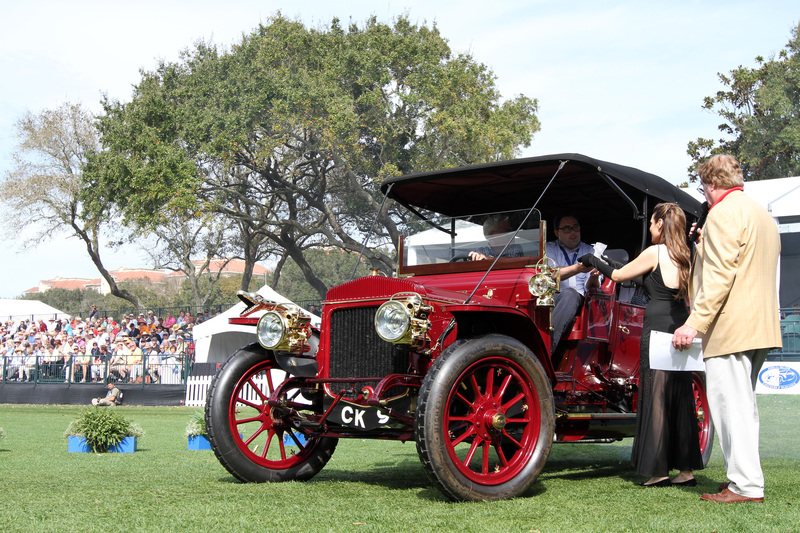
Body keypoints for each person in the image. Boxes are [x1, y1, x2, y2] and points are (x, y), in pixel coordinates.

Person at [672, 154, 780, 503]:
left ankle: (745, 486)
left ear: (712, 184)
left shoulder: (721, 214)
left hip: (731, 326)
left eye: (703, 187)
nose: (704, 194)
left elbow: (719, 277)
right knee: (743, 408)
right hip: (760, 323)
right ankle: (744, 480)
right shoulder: (762, 214)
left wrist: (693, 323)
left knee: (731, 408)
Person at [580, 203, 703, 487]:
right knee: (681, 397)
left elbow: (620, 277)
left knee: (656, 396)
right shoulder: (687, 254)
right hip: (681, 321)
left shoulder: (655, 252)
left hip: (657, 324)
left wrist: (593, 260)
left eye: (652, 223)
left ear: (661, 224)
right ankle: (686, 471)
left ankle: (658, 470)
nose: (649, 228)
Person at [546, 214, 599, 353]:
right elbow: (550, 275)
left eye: (575, 227)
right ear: (557, 232)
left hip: (580, 300)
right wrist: (578, 268)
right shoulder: (548, 248)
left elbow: (591, 286)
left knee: (571, 294)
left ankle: (545, 352)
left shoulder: (590, 251)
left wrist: (594, 277)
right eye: (567, 229)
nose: (573, 232)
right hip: (552, 296)